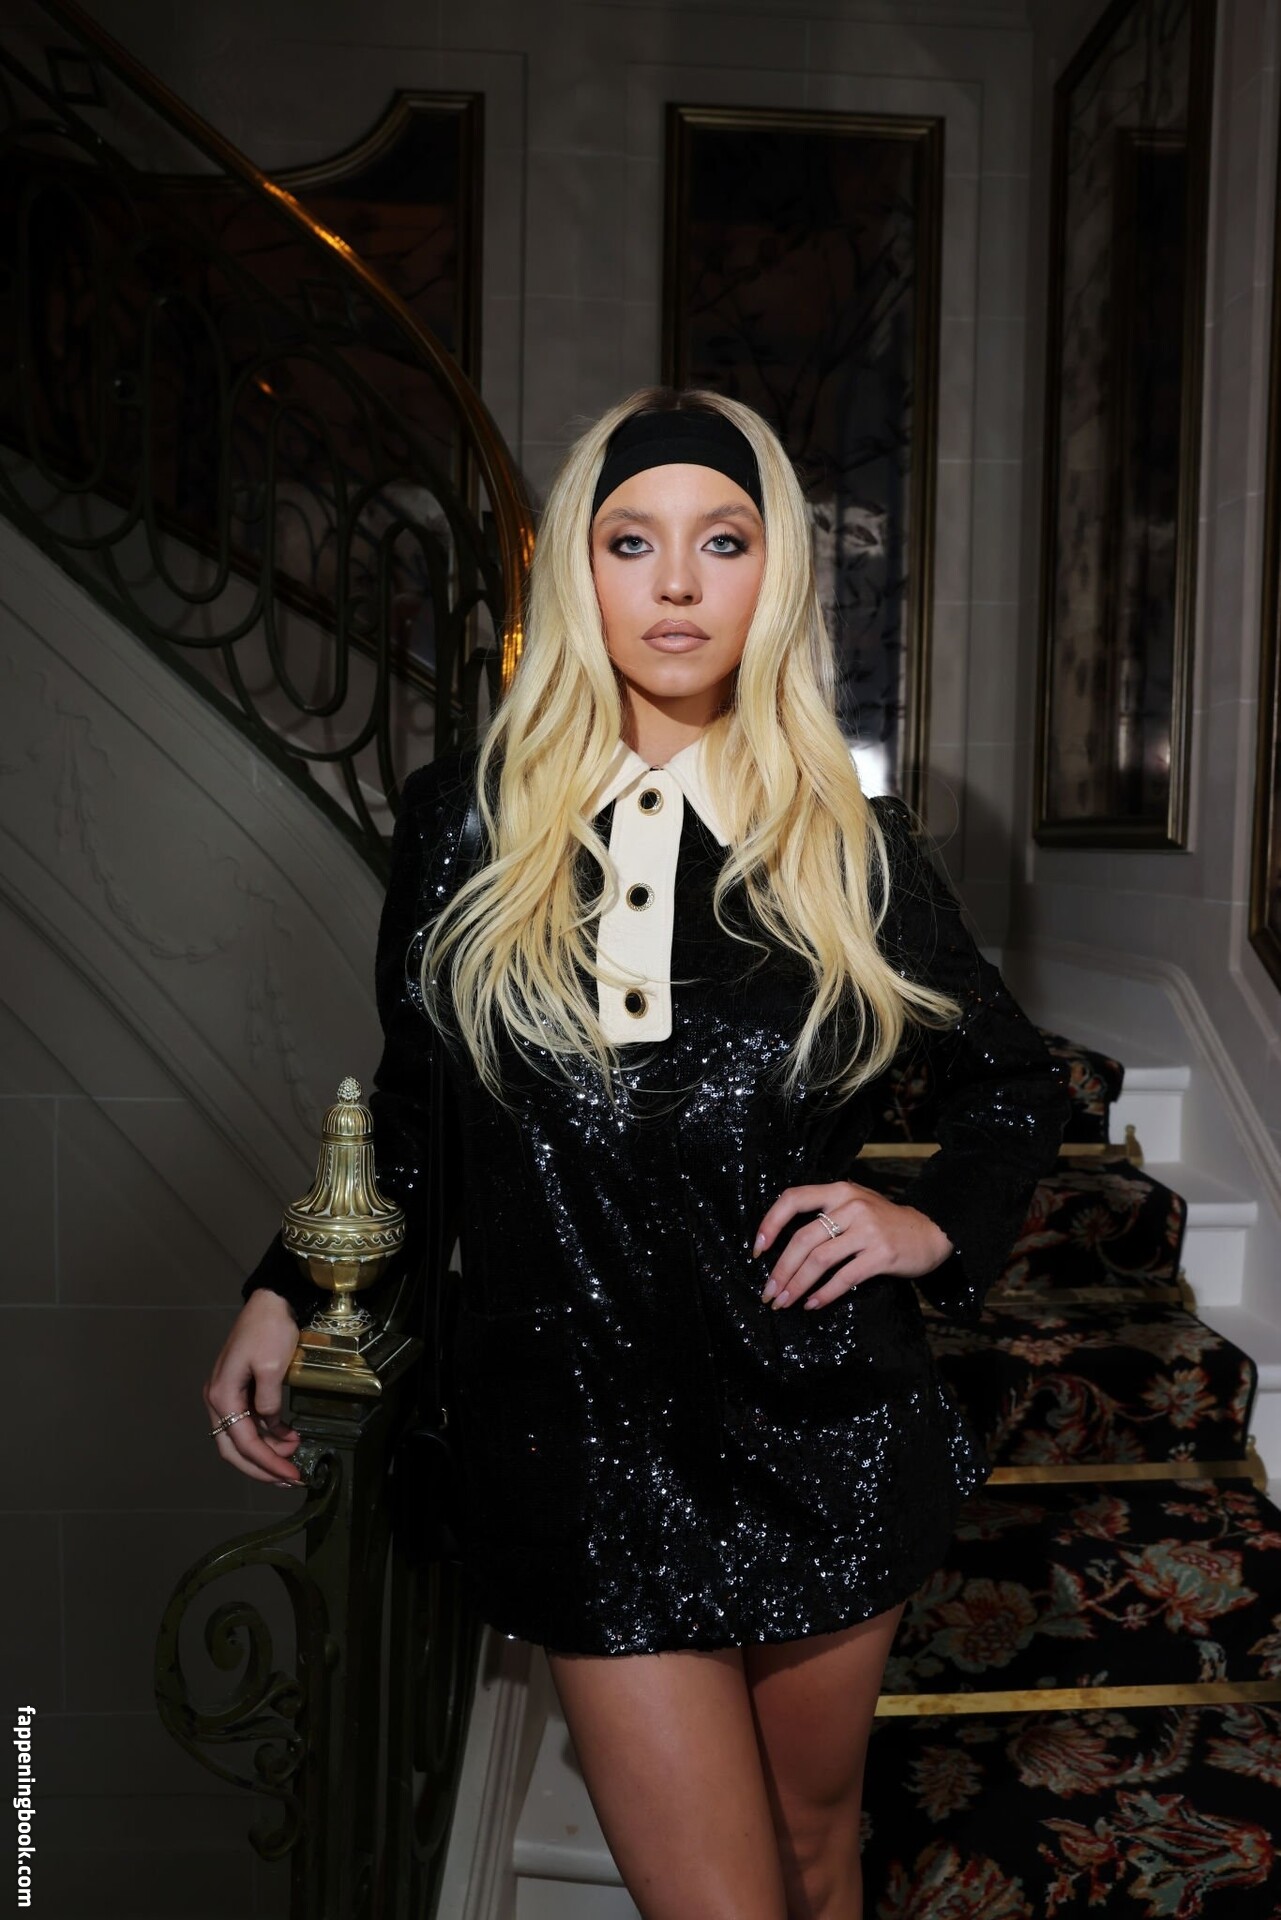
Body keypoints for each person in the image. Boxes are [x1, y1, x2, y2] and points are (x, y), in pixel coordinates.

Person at [205, 386, 1071, 1920]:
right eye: (631, 542)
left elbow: (1012, 1079)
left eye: (721, 542)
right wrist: (288, 1282)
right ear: (577, 572)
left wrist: (924, 1222)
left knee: (815, 1858)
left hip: (820, 1422)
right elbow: (414, 1113)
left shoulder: (850, 847)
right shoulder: (463, 825)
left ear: (772, 573)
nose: (676, 584)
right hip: (579, 1446)